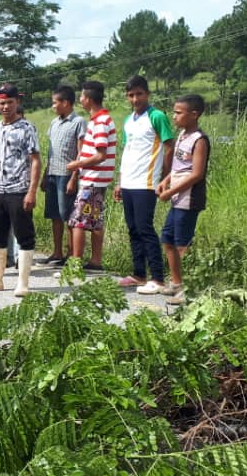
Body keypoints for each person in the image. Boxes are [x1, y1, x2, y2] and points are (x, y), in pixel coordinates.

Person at [0, 83, 41, 297]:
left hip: (19, 189)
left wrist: (32, 191)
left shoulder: (27, 128)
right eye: (2, 103)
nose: (6, 107)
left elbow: (35, 161)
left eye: (10, 102)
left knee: (24, 235)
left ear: (17, 103)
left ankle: (23, 282)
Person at [116, 75, 175, 294]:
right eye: (131, 95)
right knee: (133, 229)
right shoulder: (128, 121)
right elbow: (127, 151)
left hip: (147, 182)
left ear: (147, 94)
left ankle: (158, 278)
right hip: (129, 181)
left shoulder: (156, 116)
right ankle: (138, 274)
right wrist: (119, 182)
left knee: (145, 228)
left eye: (139, 94)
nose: (135, 99)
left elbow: (169, 146)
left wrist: (166, 177)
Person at [156, 94, 209, 306]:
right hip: (176, 197)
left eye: (179, 112)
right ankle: (176, 282)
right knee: (168, 239)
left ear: (194, 114)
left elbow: (196, 174)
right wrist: (166, 181)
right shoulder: (182, 136)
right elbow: (179, 167)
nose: (174, 116)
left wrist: (170, 192)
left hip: (189, 199)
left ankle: (188, 289)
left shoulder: (199, 140)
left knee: (181, 244)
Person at [66, 81, 115, 272]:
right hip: (96, 179)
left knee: (78, 221)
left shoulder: (101, 122)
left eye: (82, 97)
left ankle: (75, 263)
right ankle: (95, 261)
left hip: (93, 180)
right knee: (95, 221)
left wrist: (77, 165)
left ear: (89, 99)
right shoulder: (99, 119)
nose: (80, 100)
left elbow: (100, 155)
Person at [39, 86, 86, 267]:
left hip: (67, 175)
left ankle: (71, 253)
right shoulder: (54, 123)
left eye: (55, 102)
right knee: (54, 216)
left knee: (68, 216)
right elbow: (50, 153)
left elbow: (80, 153)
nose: (53, 106)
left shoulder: (79, 122)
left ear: (65, 103)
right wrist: (45, 174)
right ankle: (57, 252)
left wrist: (74, 177)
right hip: (52, 173)